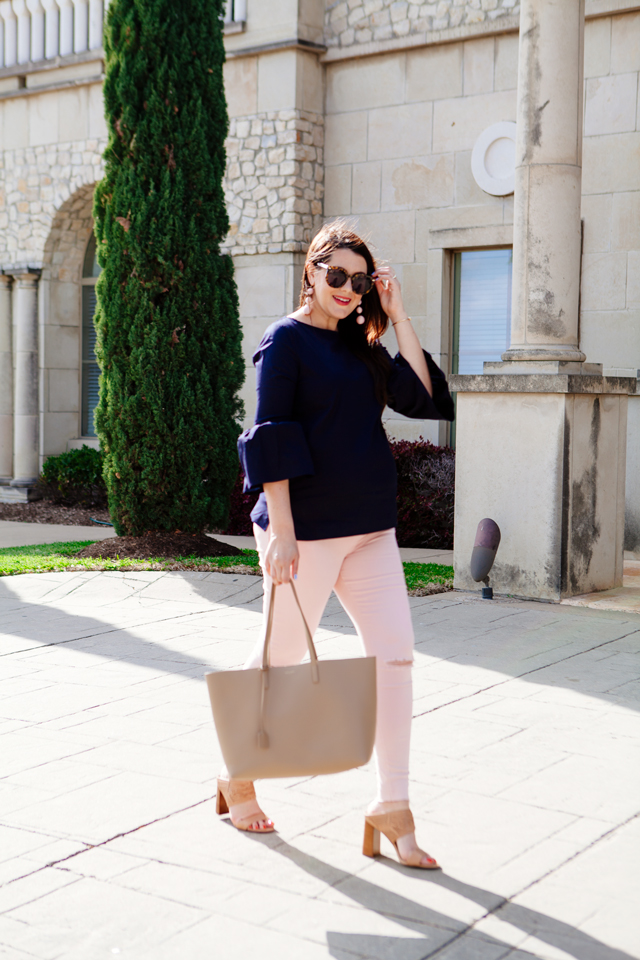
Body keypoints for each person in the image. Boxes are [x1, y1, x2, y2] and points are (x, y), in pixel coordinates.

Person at [216, 221, 454, 868]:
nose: (347, 290)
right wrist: (282, 532)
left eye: (359, 280)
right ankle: (237, 772)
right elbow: (272, 432)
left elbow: (427, 399)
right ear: (311, 274)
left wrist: (399, 316)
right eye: (336, 276)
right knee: (282, 659)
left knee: (394, 661)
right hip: (308, 530)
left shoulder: (365, 346)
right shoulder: (285, 341)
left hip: (372, 527)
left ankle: (393, 806)